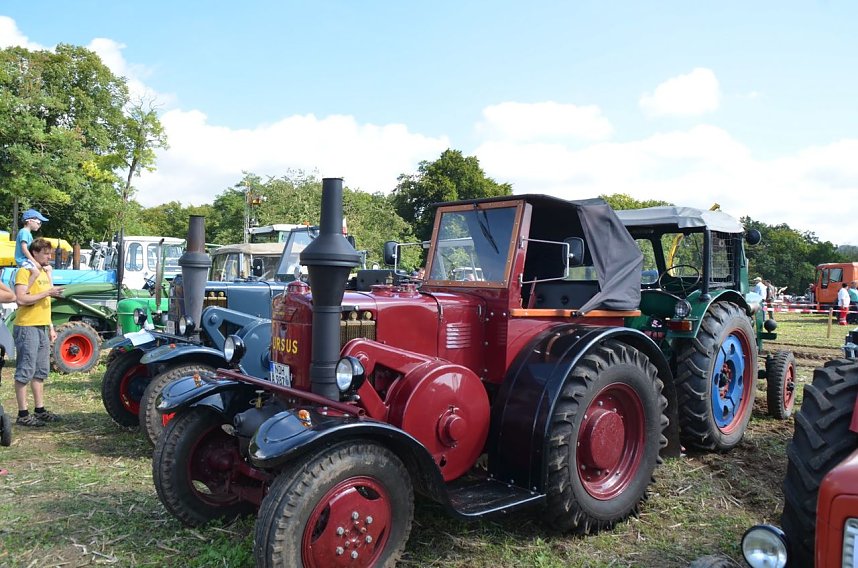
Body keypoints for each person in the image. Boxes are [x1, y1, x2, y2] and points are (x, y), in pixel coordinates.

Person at [13, 238, 64, 427]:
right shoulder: (25, 271)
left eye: (50, 254)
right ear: (35, 253)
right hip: (27, 326)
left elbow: (46, 302)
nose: (49, 257)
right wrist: (47, 293)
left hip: (41, 326)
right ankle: (22, 413)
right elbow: (21, 299)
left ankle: (39, 409)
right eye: (46, 254)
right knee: (25, 370)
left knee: (40, 371)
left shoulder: (43, 272)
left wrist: (50, 327)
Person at [15, 209, 52, 293]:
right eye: (39, 222)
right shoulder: (24, 232)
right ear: (30, 221)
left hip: (26, 259)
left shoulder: (28, 233)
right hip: (22, 259)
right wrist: (34, 261)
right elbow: (24, 249)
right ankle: (26, 291)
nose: (40, 225)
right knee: (36, 272)